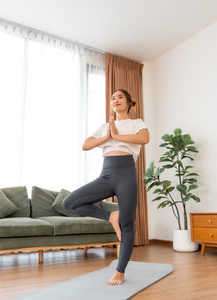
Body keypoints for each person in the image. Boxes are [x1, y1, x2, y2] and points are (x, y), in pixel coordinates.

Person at [63, 89, 149, 285]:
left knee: (127, 225)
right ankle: (110, 215)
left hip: (126, 175)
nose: (115, 100)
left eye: (120, 97)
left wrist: (118, 136)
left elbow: (144, 139)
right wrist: (108, 136)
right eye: (112, 98)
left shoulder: (136, 123)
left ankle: (120, 272)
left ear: (129, 102)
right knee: (70, 202)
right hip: (106, 174)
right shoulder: (104, 127)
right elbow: (86, 144)